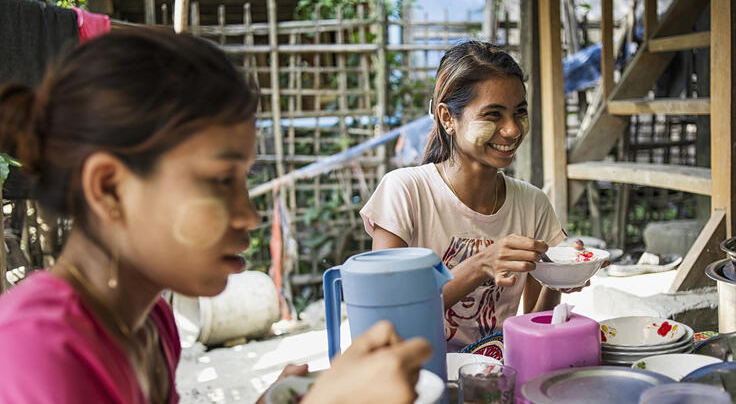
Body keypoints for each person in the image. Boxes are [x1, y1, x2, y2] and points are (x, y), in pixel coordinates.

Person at [0, 30, 431, 404]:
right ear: (110, 188)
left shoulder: (151, 320)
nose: (250, 215)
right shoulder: (35, 350)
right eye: (221, 180)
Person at [360, 41, 575, 353]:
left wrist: (559, 277)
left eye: (519, 112)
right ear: (448, 118)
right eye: (493, 115)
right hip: (417, 380)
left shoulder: (533, 204)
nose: (512, 129)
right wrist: (481, 265)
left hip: (492, 380)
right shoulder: (405, 192)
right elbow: (385, 319)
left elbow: (532, 327)